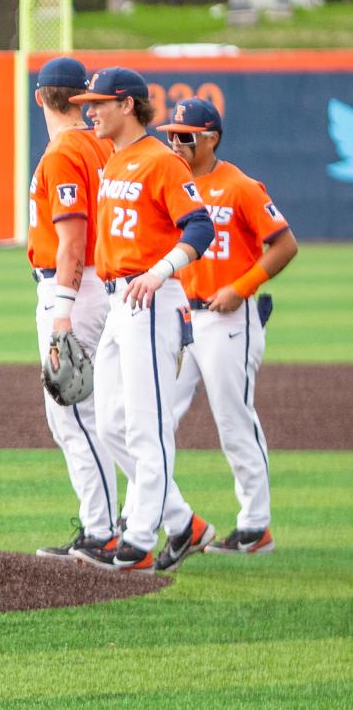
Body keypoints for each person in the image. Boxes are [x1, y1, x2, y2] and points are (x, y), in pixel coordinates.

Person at [65, 67, 216, 573]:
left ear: (127, 105)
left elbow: (200, 226)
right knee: (110, 423)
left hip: (151, 297)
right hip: (119, 301)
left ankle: (139, 539)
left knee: (147, 426)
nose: (90, 110)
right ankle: (183, 522)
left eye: (99, 102)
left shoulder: (160, 161)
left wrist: (160, 273)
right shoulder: (116, 159)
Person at [161, 98, 297, 555]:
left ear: (210, 138)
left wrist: (242, 287)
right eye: (170, 134)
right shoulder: (170, 183)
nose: (174, 142)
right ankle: (158, 515)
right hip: (181, 319)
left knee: (234, 420)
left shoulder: (238, 185)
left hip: (228, 320)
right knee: (157, 415)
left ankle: (255, 526)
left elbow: (284, 244)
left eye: (184, 135)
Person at [26, 57, 125, 561]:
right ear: (82, 99)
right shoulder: (99, 143)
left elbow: (72, 240)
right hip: (98, 285)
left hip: (74, 288)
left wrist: (62, 309)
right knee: (95, 412)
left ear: (41, 97)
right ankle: (114, 522)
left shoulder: (65, 150)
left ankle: (102, 530)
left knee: (74, 413)